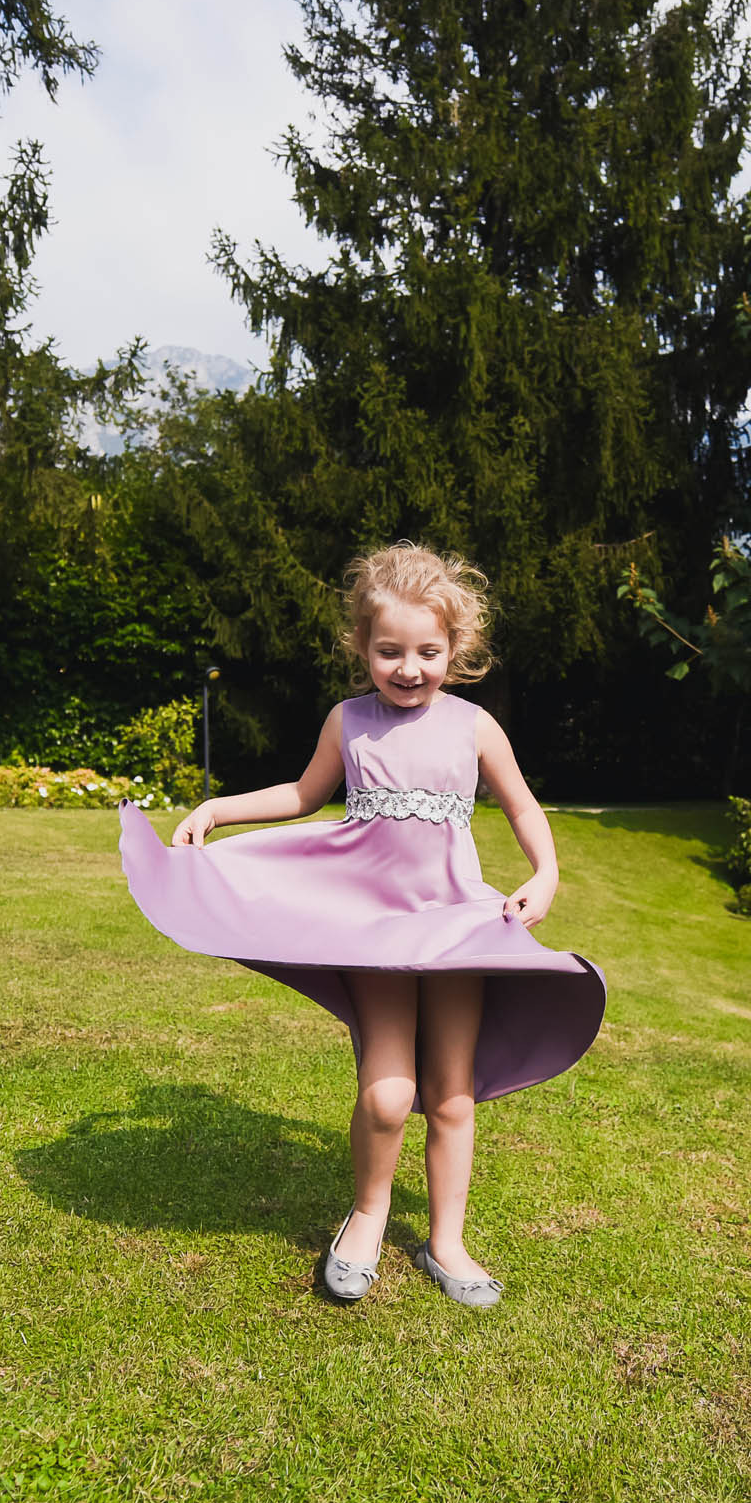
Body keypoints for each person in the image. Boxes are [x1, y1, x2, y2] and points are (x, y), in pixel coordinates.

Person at [116, 543, 605, 1308]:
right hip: (372, 935)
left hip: (456, 933)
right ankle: (368, 1214)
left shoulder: (475, 727)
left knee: (451, 1096)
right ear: (361, 647)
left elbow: (522, 806)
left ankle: (446, 1240)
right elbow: (302, 794)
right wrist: (219, 806)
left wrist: (545, 871)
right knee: (385, 1096)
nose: (408, 668)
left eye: (427, 651)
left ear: (456, 648)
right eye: (389, 651)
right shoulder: (349, 722)